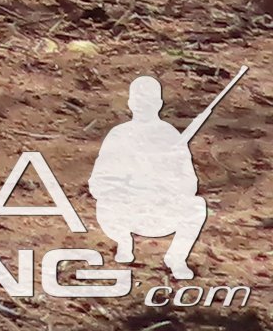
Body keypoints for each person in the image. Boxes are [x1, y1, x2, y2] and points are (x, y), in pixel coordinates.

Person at [89, 74, 210, 281]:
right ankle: (124, 242)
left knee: (196, 206)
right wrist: (126, 186)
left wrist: (165, 184)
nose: (143, 106)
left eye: (149, 101)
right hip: (125, 212)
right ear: (130, 103)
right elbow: (97, 183)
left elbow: (190, 183)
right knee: (106, 205)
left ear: (159, 104)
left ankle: (176, 257)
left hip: (160, 212)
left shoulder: (170, 136)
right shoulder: (118, 135)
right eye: (139, 101)